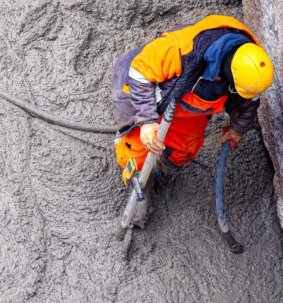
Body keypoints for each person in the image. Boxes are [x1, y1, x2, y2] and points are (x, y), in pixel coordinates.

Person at [111, 14, 274, 228]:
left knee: (183, 150)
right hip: (141, 89)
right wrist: (146, 122)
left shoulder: (251, 68)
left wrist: (238, 128)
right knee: (139, 148)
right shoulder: (182, 49)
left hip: (188, 100)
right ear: (227, 73)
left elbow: (248, 101)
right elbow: (140, 73)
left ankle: (164, 172)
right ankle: (142, 184)